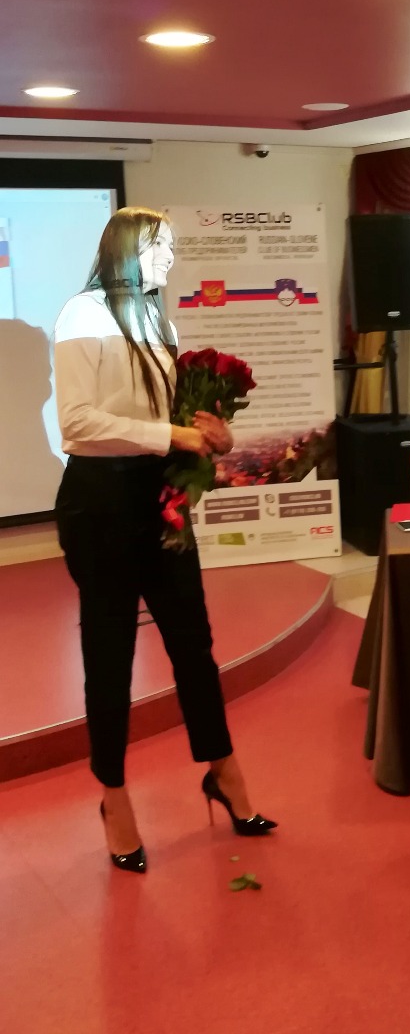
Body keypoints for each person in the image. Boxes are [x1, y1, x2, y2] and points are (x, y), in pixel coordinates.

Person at [53, 206, 276, 873]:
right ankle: (114, 798)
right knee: (110, 658)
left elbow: (169, 419)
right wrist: (169, 435)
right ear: (125, 251)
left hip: (159, 501)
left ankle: (224, 771)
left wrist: (212, 435)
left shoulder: (159, 321)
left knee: (194, 646)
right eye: (161, 246)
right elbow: (76, 425)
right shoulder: (81, 315)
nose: (171, 258)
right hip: (99, 507)